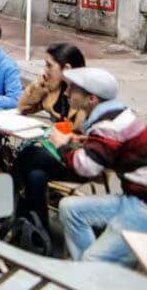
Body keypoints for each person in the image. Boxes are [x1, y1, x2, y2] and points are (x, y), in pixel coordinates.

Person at [52, 68, 147, 266]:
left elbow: (86, 168)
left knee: (93, 259)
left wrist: (62, 145)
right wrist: (87, 141)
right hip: (134, 198)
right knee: (70, 208)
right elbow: (113, 147)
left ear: (92, 99)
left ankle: (94, 272)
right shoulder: (120, 115)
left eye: (73, 89)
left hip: (142, 206)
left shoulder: (107, 126)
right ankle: (88, 277)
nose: (67, 93)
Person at [10, 44, 88, 234]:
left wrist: (62, 139)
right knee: (35, 176)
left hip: (80, 160)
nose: (45, 71)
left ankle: (4, 208)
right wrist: (38, 86)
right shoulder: (54, 89)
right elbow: (23, 107)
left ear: (67, 69)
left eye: (49, 66)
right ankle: (39, 231)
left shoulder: (87, 96)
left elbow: (86, 140)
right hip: (57, 156)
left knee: (31, 154)